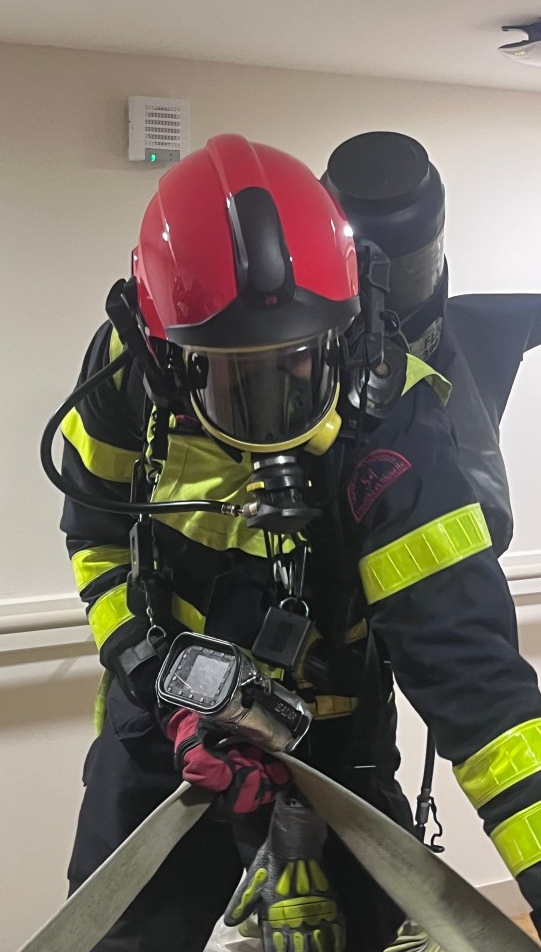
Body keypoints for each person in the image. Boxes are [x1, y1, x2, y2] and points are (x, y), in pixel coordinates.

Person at [54, 132, 541, 952]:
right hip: (162, 735)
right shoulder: (123, 378)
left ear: (345, 333)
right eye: (228, 373)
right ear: (164, 350)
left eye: (296, 366)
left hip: (337, 740)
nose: (268, 405)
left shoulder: (399, 421)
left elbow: (480, 690)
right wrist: (154, 675)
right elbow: (97, 540)